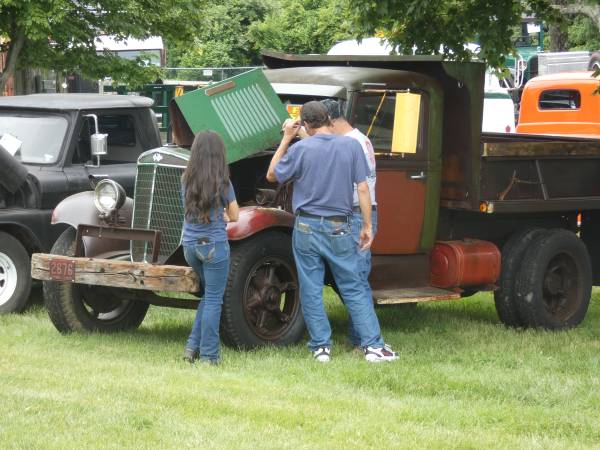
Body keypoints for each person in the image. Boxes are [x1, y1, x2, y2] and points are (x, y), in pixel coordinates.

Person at [266, 101, 397, 363]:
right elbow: (362, 189)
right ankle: (373, 346)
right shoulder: (351, 146)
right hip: (340, 225)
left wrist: (286, 139)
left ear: (305, 124)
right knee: (353, 286)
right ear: (328, 118)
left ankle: (321, 347)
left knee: (311, 287)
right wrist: (368, 226)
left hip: (305, 226)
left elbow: (272, 175)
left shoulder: (301, 148)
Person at [321, 99, 377, 348]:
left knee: (357, 280)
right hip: (360, 213)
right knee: (356, 278)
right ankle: (361, 336)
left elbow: (361, 187)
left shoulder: (351, 143)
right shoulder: (359, 138)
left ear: (332, 122)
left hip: (356, 213)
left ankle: (363, 339)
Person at [181, 130, 239, 365]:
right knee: (215, 299)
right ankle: (209, 356)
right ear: (219, 154)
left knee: (208, 296)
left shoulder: (185, 179)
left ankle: (191, 347)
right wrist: (223, 215)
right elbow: (234, 215)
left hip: (189, 246)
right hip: (213, 246)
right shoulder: (222, 182)